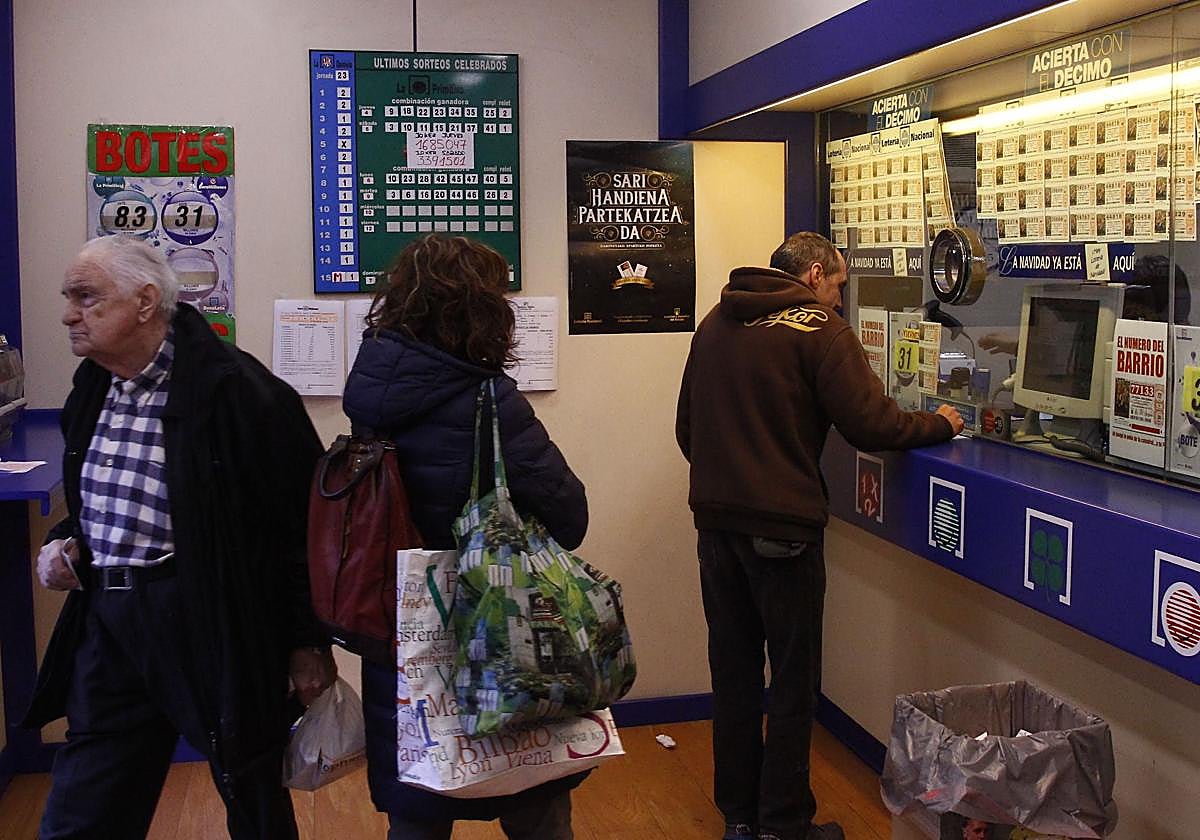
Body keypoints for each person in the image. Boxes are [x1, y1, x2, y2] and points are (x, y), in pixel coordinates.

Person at [26, 235, 336, 839]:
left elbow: (300, 526)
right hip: (109, 617)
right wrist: (67, 541)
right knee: (87, 799)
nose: (68, 314)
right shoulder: (92, 384)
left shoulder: (238, 391)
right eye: (68, 297)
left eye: (86, 297)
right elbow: (102, 492)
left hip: (205, 619)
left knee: (250, 789)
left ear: (145, 302)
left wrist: (306, 641)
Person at [675, 232, 964, 840]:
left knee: (733, 676)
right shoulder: (821, 331)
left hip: (716, 528)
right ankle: (784, 824)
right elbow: (872, 424)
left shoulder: (716, 324)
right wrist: (939, 423)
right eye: (838, 285)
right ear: (813, 275)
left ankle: (739, 818)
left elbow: (686, 430)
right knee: (792, 682)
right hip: (783, 533)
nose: (839, 299)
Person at [342, 234, 589, 840]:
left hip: (403, 627)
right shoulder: (491, 400)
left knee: (418, 809)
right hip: (500, 626)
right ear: (483, 310)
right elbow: (570, 517)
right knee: (535, 805)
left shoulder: (369, 398)